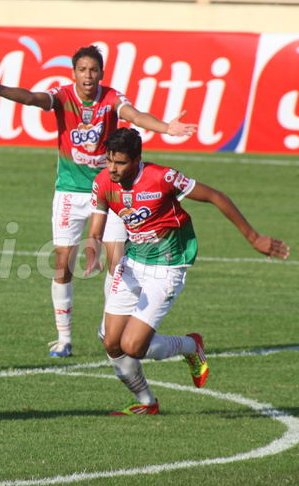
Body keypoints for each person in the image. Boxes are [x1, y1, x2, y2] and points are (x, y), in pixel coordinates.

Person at [0, 45, 197, 357]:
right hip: (69, 193)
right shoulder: (63, 96)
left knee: (117, 265)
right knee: (63, 265)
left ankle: (112, 331)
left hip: (110, 194)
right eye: (83, 70)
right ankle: (64, 339)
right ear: (73, 72)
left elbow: (135, 116)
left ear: (101, 73)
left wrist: (165, 128)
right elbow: (34, 98)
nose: (88, 75)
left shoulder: (112, 98)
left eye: (93, 70)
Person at [84, 128, 289, 414]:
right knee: (111, 342)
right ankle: (147, 403)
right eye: (109, 161)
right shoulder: (103, 181)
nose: (113, 169)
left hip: (168, 266)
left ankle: (191, 346)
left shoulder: (163, 177)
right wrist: (92, 250)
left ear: (137, 159)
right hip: (132, 264)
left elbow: (216, 196)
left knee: (133, 346)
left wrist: (254, 237)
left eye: (120, 162)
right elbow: (96, 226)